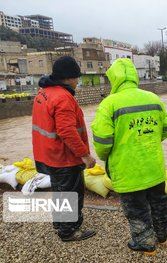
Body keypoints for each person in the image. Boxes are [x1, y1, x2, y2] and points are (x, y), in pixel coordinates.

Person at [91, 58, 167, 255]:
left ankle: (145, 244)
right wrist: (148, 140)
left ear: (113, 79)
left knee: (136, 209)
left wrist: (108, 157)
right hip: (154, 166)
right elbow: (166, 130)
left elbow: (102, 143)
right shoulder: (153, 98)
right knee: (158, 203)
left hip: (129, 170)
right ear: (134, 76)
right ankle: (162, 237)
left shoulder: (109, 104)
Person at [32, 55, 97, 242]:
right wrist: (85, 155)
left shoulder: (43, 93)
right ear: (68, 78)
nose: (78, 81)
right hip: (64, 157)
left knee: (60, 190)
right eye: (77, 77)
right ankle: (69, 231)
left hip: (48, 154)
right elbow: (67, 131)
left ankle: (60, 223)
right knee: (71, 193)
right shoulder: (63, 98)